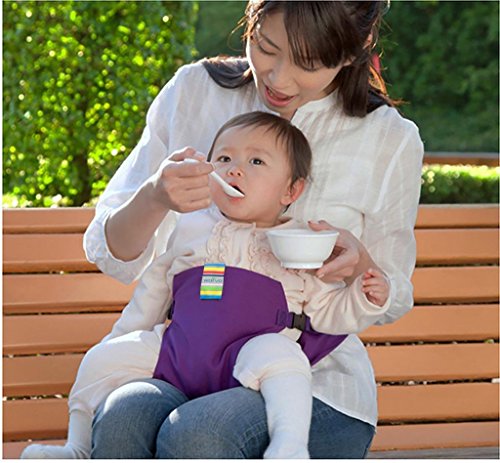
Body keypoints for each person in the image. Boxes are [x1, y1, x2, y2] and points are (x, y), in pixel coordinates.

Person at [49, 1, 421, 458]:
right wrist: (154, 197)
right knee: (124, 415)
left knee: (200, 431)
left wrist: (360, 264)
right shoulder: (193, 92)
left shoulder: (388, 139)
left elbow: (393, 295)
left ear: (355, 49)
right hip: (185, 360)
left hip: (316, 382)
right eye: (265, 47)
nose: (278, 78)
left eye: (308, 63)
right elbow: (111, 252)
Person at [21, 112, 390, 460]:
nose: (235, 171)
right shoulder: (190, 229)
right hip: (179, 352)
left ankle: (289, 446)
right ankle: (78, 447)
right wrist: (122, 340)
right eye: (224, 159)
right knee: (101, 360)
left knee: (284, 357)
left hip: (248, 357)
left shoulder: (302, 242)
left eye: (256, 162)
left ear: (291, 191)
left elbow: (328, 313)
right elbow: (152, 291)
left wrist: (363, 296)